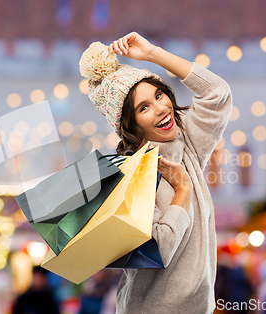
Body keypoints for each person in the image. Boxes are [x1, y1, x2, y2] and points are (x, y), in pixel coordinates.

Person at [79, 32, 232, 314]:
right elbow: (155, 251)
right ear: (130, 124)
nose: (161, 108)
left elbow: (217, 94)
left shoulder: (188, 145)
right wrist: (182, 193)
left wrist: (153, 54)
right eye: (144, 107)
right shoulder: (129, 175)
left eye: (159, 94)